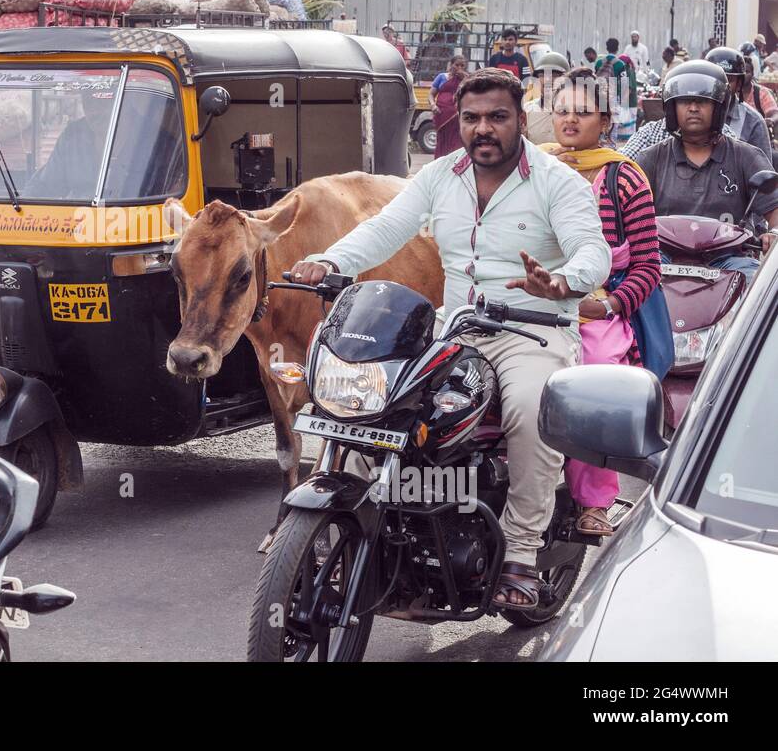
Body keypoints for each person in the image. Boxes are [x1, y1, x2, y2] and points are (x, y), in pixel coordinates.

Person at [290, 67, 611, 610]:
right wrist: (330, 261)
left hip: (532, 330)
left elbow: (592, 249)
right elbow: (385, 227)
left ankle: (522, 554)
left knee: (532, 411)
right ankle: (363, 518)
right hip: (456, 326)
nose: (484, 128)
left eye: (497, 118)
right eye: (472, 118)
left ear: (521, 121)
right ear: (457, 121)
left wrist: (562, 281)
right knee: (373, 399)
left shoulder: (558, 182)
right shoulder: (441, 175)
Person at [541, 68, 662, 536]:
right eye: (562, 110)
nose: (570, 120)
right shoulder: (532, 166)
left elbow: (649, 266)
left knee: (589, 378)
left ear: (606, 120)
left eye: (583, 112)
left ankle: (594, 500)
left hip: (593, 312)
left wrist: (608, 306)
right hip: (528, 301)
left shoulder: (624, 178)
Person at [635, 60, 778, 284]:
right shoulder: (651, 158)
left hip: (730, 260)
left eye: (703, 101)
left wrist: (774, 233)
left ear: (720, 107)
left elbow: (774, 207)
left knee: (760, 287)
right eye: (684, 101)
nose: (693, 108)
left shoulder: (746, 156)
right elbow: (628, 212)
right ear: (672, 108)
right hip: (663, 258)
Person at [705, 45, 772, 156]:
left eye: (729, 80)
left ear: (739, 84)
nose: (721, 85)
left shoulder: (753, 122)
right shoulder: (691, 112)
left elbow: (763, 170)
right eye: (715, 79)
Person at [522, 50, 570, 144]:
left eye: (555, 75)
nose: (548, 79)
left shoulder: (576, 113)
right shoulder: (527, 110)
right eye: (542, 75)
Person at [430, 54, 467, 157]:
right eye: (457, 65)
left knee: (457, 142)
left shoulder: (467, 79)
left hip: (458, 116)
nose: (459, 68)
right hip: (441, 114)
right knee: (442, 140)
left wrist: (465, 80)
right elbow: (431, 94)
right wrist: (433, 105)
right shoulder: (442, 77)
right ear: (451, 65)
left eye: (462, 66)